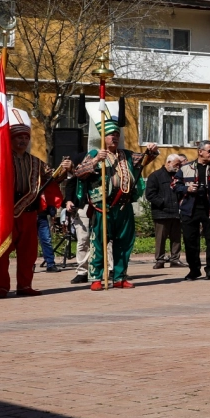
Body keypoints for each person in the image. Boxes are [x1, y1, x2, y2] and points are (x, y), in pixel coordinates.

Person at [72, 119, 156, 290]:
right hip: (103, 207)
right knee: (99, 243)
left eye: (117, 134)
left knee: (124, 243)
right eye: (111, 134)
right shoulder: (94, 153)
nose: (114, 137)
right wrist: (96, 161)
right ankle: (96, 278)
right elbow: (78, 172)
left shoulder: (127, 155)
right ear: (103, 137)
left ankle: (119, 277)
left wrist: (151, 151)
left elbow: (144, 160)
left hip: (124, 207)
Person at [0, 111, 73, 297]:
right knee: (2, 252)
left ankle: (24, 286)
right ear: (10, 138)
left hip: (30, 212)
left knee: (28, 252)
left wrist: (64, 170)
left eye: (26, 137)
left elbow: (53, 178)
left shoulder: (36, 162)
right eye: (19, 137)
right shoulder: (1, 159)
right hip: (7, 212)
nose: (23, 140)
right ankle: (0, 287)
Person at [174, 140, 210, 280]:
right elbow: (174, 185)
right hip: (190, 209)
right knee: (190, 241)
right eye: (209, 151)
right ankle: (194, 269)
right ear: (200, 151)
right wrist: (187, 188)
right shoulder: (185, 168)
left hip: (209, 209)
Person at [145, 154, 184, 269]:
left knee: (176, 238)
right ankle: (160, 259)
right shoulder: (155, 176)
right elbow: (150, 194)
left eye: (179, 165)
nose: (178, 167)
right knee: (160, 238)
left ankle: (175, 259)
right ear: (168, 162)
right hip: (161, 213)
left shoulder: (178, 176)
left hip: (176, 212)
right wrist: (163, 203)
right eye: (176, 164)